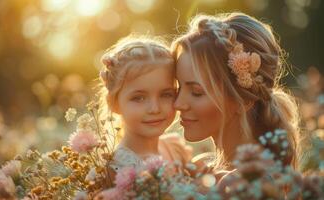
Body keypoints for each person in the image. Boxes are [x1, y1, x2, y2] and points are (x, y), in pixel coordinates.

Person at [171, 12, 301, 171]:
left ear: (244, 100)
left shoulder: (250, 184)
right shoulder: (201, 169)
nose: (178, 104)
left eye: (197, 92)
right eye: (178, 87)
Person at [99, 35, 192, 173]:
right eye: (138, 98)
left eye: (166, 95)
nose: (155, 109)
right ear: (114, 103)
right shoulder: (114, 169)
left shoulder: (173, 149)